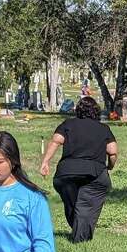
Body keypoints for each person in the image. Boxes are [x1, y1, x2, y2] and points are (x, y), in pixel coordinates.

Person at [38, 96, 118, 243]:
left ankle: (79, 230)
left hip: (66, 173)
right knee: (87, 204)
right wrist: (110, 166)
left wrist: (45, 162)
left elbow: (56, 141)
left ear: (78, 111)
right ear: (96, 112)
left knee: (73, 204)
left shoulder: (68, 124)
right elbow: (112, 152)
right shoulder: (103, 129)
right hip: (94, 173)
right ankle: (81, 238)